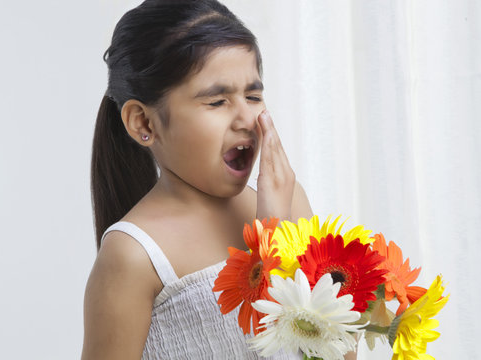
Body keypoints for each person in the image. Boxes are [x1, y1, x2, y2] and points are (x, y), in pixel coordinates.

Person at [81, 1, 318, 359]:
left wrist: (275, 232)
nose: (246, 118)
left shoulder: (288, 203)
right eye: (217, 102)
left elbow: (335, 350)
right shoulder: (133, 257)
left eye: (253, 96)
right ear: (144, 123)